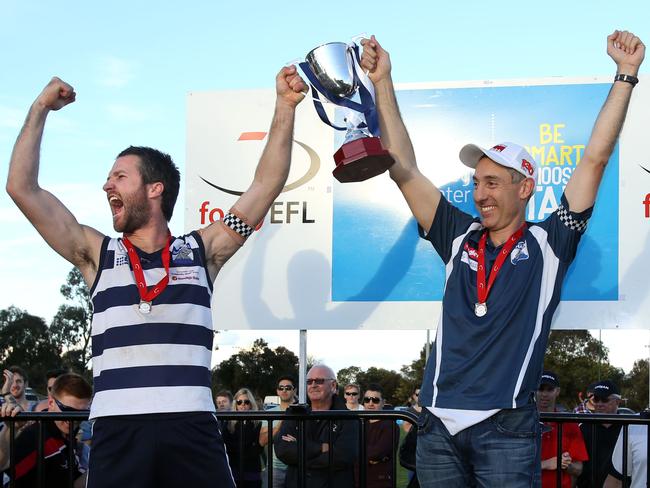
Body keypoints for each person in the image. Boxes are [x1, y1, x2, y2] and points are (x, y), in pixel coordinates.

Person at [360, 30, 645, 487]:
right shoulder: (457, 234)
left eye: (492, 182)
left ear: (525, 187)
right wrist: (383, 82)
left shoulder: (551, 243)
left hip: (506, 428)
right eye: (476, 182)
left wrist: (626, 74)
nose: (479, 194)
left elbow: (595, 158)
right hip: (436, 426)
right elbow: (404, 168)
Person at [5, 67, 307, 488]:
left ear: (154, 188)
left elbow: (266, 183)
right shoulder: (98, 253)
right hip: (117, 431)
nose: (106, 184)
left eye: (119, 176)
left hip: (192, 427)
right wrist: (40, 109)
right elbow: (22, 188)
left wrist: (285, 106)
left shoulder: (205, 250)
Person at [0, 373, 92, 488]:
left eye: (81, 414)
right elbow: (2, 465)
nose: (72, 420)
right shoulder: (35, 436)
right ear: (51, 403)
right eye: (66, 410)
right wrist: (10, 429)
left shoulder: (67, 435)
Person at [275, 364, 358, 487]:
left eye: (319, 381)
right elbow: (283, 449)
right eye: (309, 382)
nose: (313, 385)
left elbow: (343, 456)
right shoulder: (294, 413)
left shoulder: (347, 418)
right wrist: (320, 448)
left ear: (333, 385)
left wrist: (300, 452)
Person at [536, 371, 588, 488]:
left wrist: (565, 464)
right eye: (540, 389)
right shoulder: (522, 423)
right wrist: (546, 464)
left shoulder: (569, 424)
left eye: (549, 389)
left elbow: (579, 469)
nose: (544, 394)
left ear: (557, 391)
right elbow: (511, 467)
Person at [577, 380, 623, 487]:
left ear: (617, 401)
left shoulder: (629, 428)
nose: (599, 404)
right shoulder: (583, 427)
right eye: (596, 399)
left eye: (605, 399)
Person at [259, 375, 297, 487]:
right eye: (281, 388)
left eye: (288, 388)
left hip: (297, 467)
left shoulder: (301, 411)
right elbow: (262, 441)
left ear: (294, 390)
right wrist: (279, 425)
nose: (284, 390)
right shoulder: (270, 413)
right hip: (275, 469)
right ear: (277, 391)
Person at [223, 388, 264, 488]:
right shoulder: (228, 423)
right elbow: (227, 446)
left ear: (251, 404)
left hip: (252, 471)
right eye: (239, 402)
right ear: (235, 404)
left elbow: (257, 447)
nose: (242, 405)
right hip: (234, 471)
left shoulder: (258, 423)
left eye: (246, 402)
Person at [360, 384, 399, 488]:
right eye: (367, 400)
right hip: (357, 479)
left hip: (380, 481)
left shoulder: (390, 425)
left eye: (375, 400)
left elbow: (377, 453)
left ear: (383, 402)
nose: (370, 403)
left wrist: (356, 453)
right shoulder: (359, 423)